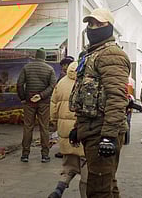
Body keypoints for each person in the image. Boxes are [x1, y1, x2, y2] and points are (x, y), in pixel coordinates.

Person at [69, 8, 131, 197]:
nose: (93, 28)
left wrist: (109, 136)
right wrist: (77, 127)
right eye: (90, 24)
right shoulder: (91, 54)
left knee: (98, 190)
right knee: (107, 184)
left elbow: (117, 98)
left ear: (109, 27)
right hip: (91, 129)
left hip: (101, 131)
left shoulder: (112, 54)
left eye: (99, 24)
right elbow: (84, 95)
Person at [49, 61, 87, 198]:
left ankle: (58, 190)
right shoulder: (87, 81)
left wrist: (54, 122)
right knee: (86, 170)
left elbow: (53, 105)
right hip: (81, 131)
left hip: (64, 130)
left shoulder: (62, 82)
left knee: (68, 166)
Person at [17, 48, 57, 163]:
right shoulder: (50, 69)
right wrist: (41, 95)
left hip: (29, 101)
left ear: (35, 56)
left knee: (28, 127)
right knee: (44, 128)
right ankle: (45, 155)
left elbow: (20, 84)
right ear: (44, 57)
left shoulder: (26, 67)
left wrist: (23, 98)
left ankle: (25, 155)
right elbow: (52, 85)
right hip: (44, 102)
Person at [55, 56, 75, 159]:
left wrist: (54, 115)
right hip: (69, 107)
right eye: (62, 65)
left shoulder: (63, 78)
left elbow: (55, 97)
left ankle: (65, 151)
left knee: (65, 130)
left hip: (65, 107)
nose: (63, 67)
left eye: (65, 65)